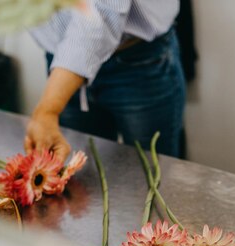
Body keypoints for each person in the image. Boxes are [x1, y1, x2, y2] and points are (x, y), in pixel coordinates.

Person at [25, 0, 186, 162]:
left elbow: (100, 16)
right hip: (59, 65)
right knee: (83, 173)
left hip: (138, 61)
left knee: (152, 169)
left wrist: (48, 110)